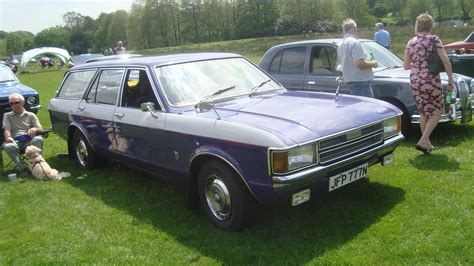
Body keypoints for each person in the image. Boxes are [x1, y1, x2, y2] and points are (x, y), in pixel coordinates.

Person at [403, 13, 454, 154]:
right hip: (431, 79)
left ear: (417, 25)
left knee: (424, 112)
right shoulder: (434, 40)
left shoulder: (410, 42)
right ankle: (422, 140)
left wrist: (419, 65)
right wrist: (450, 79)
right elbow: (445, 60)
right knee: (437, 112)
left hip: (415, 80)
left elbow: (406, 66)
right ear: (430, 26)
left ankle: (427, 144)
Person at [3, 93, 44, 176]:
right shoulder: (7, 116)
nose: (14, 105)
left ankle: (37, 165)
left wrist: (34, 129)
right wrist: (8, 137)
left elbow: (41, 129)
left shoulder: (31, 115)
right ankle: (23, 169)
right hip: (16, 140)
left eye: (17, 102)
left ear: (23, 103)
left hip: (29, 140)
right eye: (12, 103)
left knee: (38, 139)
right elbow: (7, 129)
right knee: (8, 146)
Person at [337, 18, 378, 97]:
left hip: (351, 81)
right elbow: (360, 64)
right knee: (366, 108)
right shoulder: (355, 43)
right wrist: (373, 63)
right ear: (354, 28)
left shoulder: (340, 44)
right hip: (361, 82)